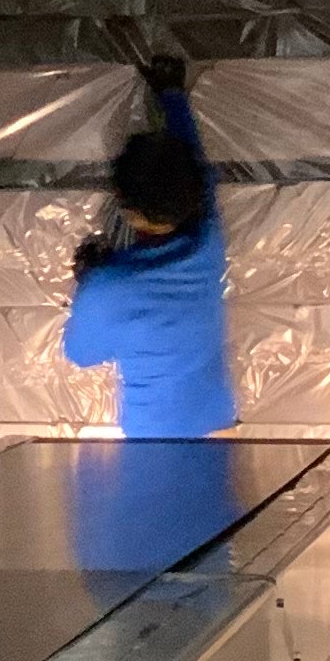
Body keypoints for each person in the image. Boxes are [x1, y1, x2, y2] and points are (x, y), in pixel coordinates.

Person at [61, 101, 234, 437]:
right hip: (219, 425)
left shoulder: (106, 288)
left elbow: (81, 354)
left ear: (128, 210)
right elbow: (197, 166)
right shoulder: (207, 239)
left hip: (156, 439)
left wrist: (86, 283)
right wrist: (173, 99)